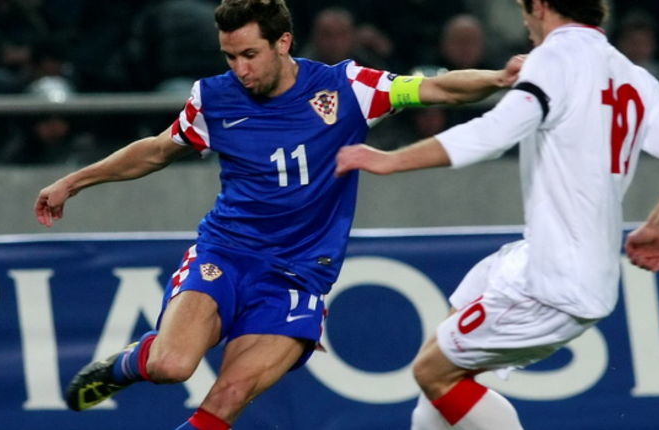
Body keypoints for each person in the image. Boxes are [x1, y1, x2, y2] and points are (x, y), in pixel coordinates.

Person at [33, 1, 523, 428]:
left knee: (224, 400)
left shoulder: (346, 88)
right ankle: (131, 361)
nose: (240, 70)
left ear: (283, 42)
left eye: (250, 55)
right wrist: (72, 182)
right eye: (230, 57)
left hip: (297, 278)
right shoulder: (215, 98)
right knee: (172, 366)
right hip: (226, 254)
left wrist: (499, 78)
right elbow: (159, 150)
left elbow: (436, 89)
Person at [335, 0, 659, 428]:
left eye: (523, 8)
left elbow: (492, 134)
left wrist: (390, 160)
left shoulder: (553, 59)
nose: (523, 20)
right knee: (449, 351)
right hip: (549, 263)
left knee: (433, 373)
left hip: (551, 283)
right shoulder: (633, 76)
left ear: (538, 5)